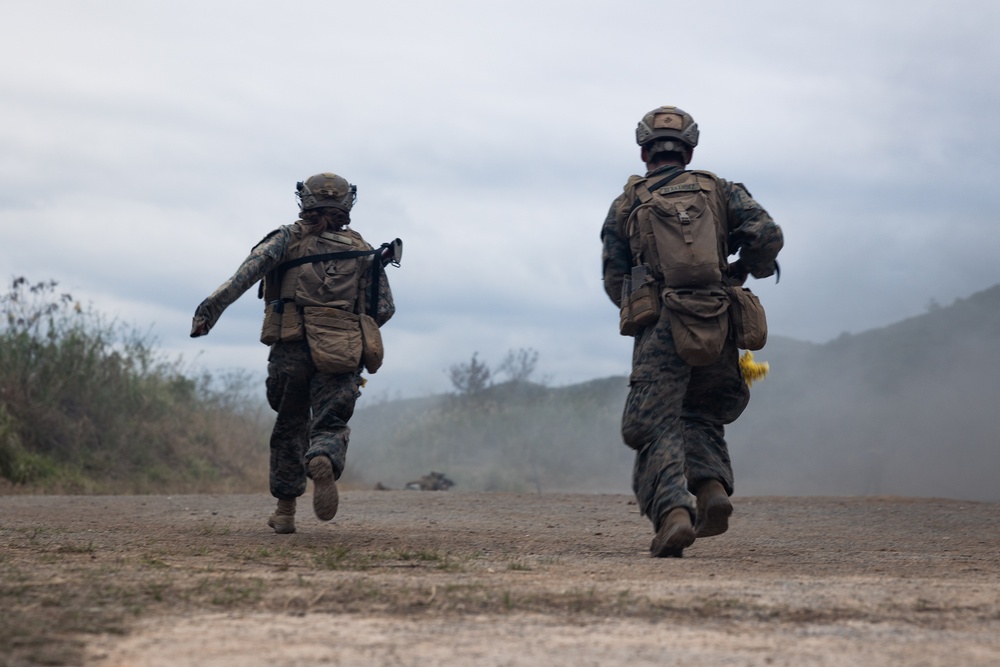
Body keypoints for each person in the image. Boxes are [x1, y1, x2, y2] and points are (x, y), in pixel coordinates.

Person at [601, 106, 783, 557]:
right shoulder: (720, 190)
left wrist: (647, 307)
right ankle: (712, 489)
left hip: (661, 325)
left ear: (644, 151)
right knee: (701, 413)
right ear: (689, 148)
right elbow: (767, 234)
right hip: (718, 319)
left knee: (652, 425)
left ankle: (673, 515)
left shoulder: (627, 203)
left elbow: (614, 278)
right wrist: (741, 271)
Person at [191, 172, 396, 534]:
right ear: (347, 204)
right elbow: (383, 308)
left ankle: (285, 512)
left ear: (305, 201)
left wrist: (211, 308)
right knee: (330, 422)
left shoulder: (286, 238)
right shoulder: (362, 247)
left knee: (289, 424)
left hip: (291, 348)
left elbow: (246, 275)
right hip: (340, 351)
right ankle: (321, 458)